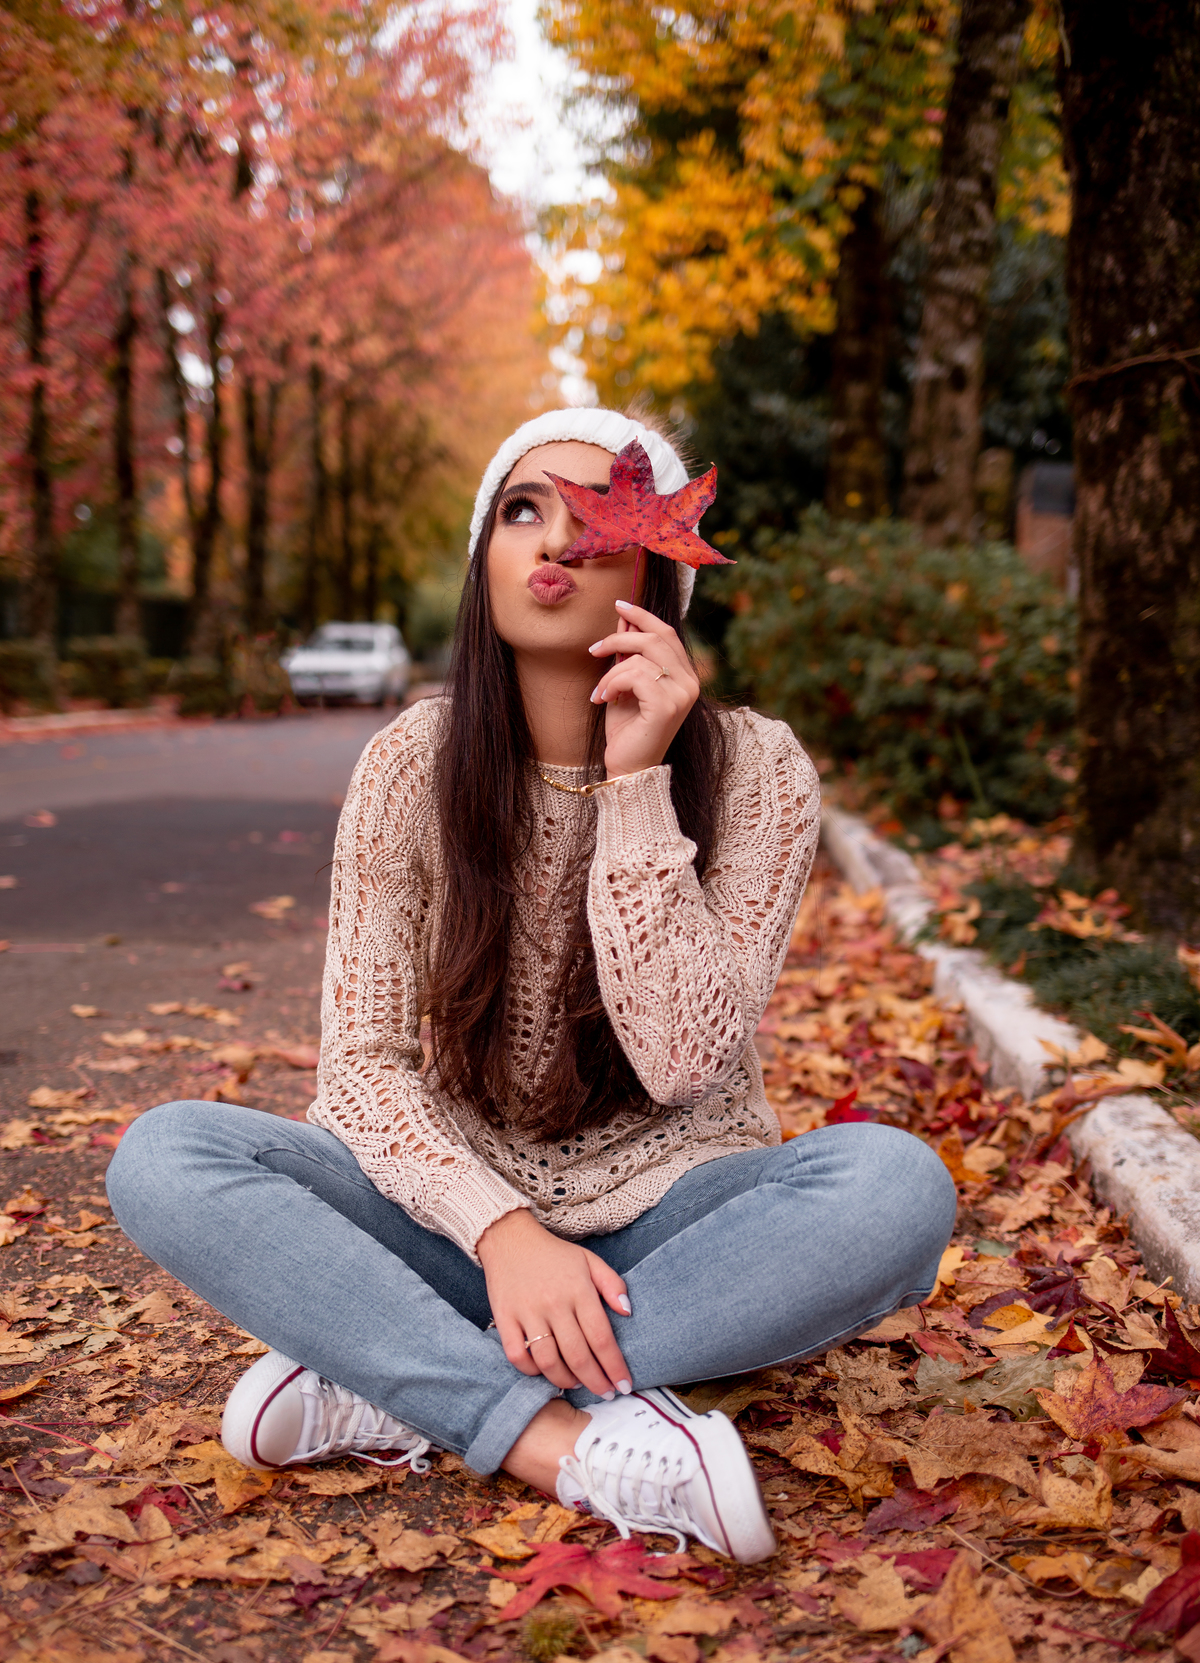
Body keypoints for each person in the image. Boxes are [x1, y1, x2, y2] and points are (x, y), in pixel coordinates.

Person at [107, 406, 956, 1565]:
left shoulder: (760, 770)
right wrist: (504, 1233)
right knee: (167, 1154)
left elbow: (685, 1058)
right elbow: (359, 1072)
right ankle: (565, 1440)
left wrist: (638, 783)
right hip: (449, 1222)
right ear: (484, 562)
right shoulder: (414, 763)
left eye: (596, 515)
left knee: (895, 1189)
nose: (554, 541)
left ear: (659, 566)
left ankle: (395, 1379)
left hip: (673, 1234)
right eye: (521, 510)